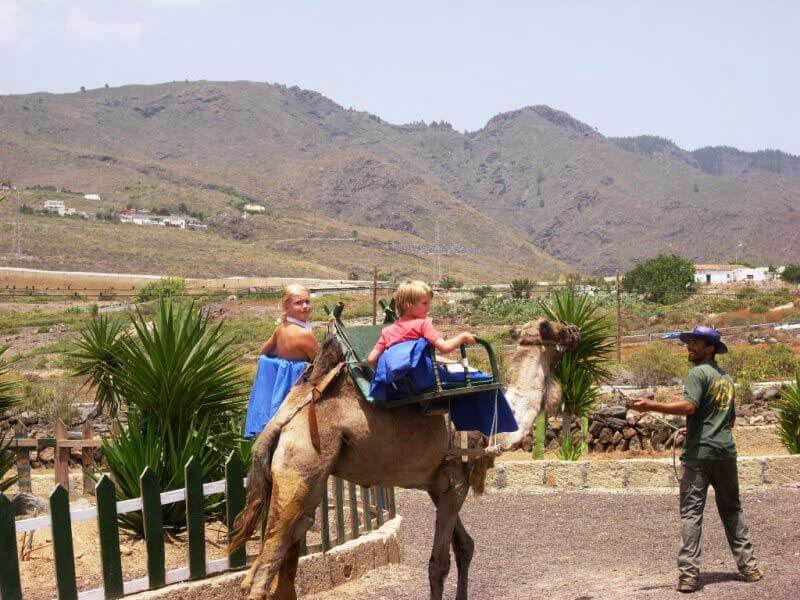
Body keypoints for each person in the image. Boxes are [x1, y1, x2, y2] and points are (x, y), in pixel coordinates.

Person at [630, 325, 763, 593]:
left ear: (710, 349)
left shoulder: (696, 373)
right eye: (689, 341)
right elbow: (730, 419)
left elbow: (690, 406)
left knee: (691, 513)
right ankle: (749, 568)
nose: (689, 346)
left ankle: (689, 577)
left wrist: (650, 405)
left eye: (696, 342)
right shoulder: (725, 379)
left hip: (699, 455)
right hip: (725, 452)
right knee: (732, 510)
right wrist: (694, 426)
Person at [243, 285, 319, 438]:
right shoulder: (304, 334)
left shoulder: (281, 328)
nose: (305, 306)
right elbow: (319, 362)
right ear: (286, 306)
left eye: (307, 302)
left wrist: (280, 361)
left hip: (279, 388)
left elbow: (265, 352)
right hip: (296, 390)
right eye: (298, 303)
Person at [367, 280, 476, 367]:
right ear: (407, 305)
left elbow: (371, 359)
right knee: (480, 377)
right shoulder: (422, 324)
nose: (429, 307)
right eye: (425, 303)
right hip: (426, 381)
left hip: (403, 387)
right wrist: (463, 337)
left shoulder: (387, 332)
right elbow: (445, 348)